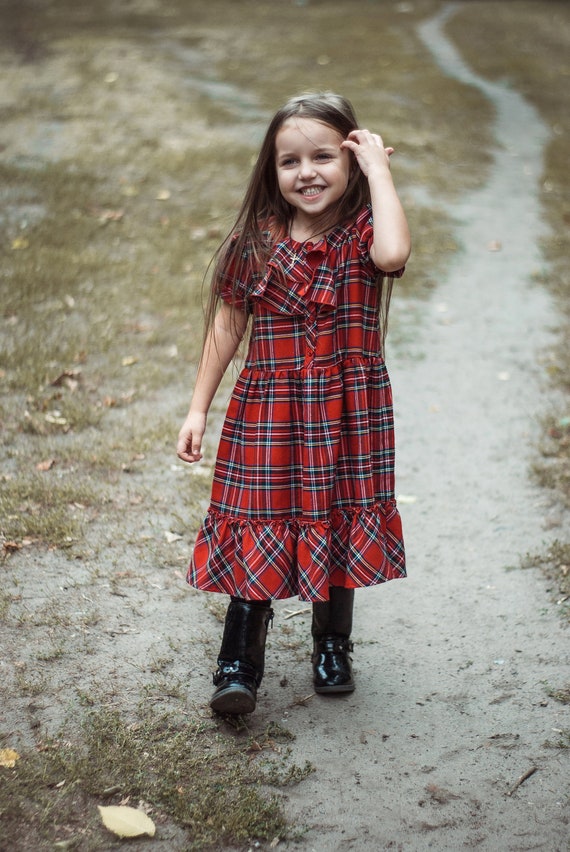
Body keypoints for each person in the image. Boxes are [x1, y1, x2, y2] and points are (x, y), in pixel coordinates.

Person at [177, 91, 411, 715]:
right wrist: (199, 407)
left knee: (336, 514)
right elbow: (225, 326)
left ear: (353, 160)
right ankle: (237, 665)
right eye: (289, 161)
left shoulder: (363, 232)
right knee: (258, 518)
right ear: (270, 171)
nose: (306, 171)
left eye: (324, 156)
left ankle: (332, 647)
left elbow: (394, 255)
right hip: (269, 413)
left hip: (346, 413)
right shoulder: (255, 243)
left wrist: (380, 174)